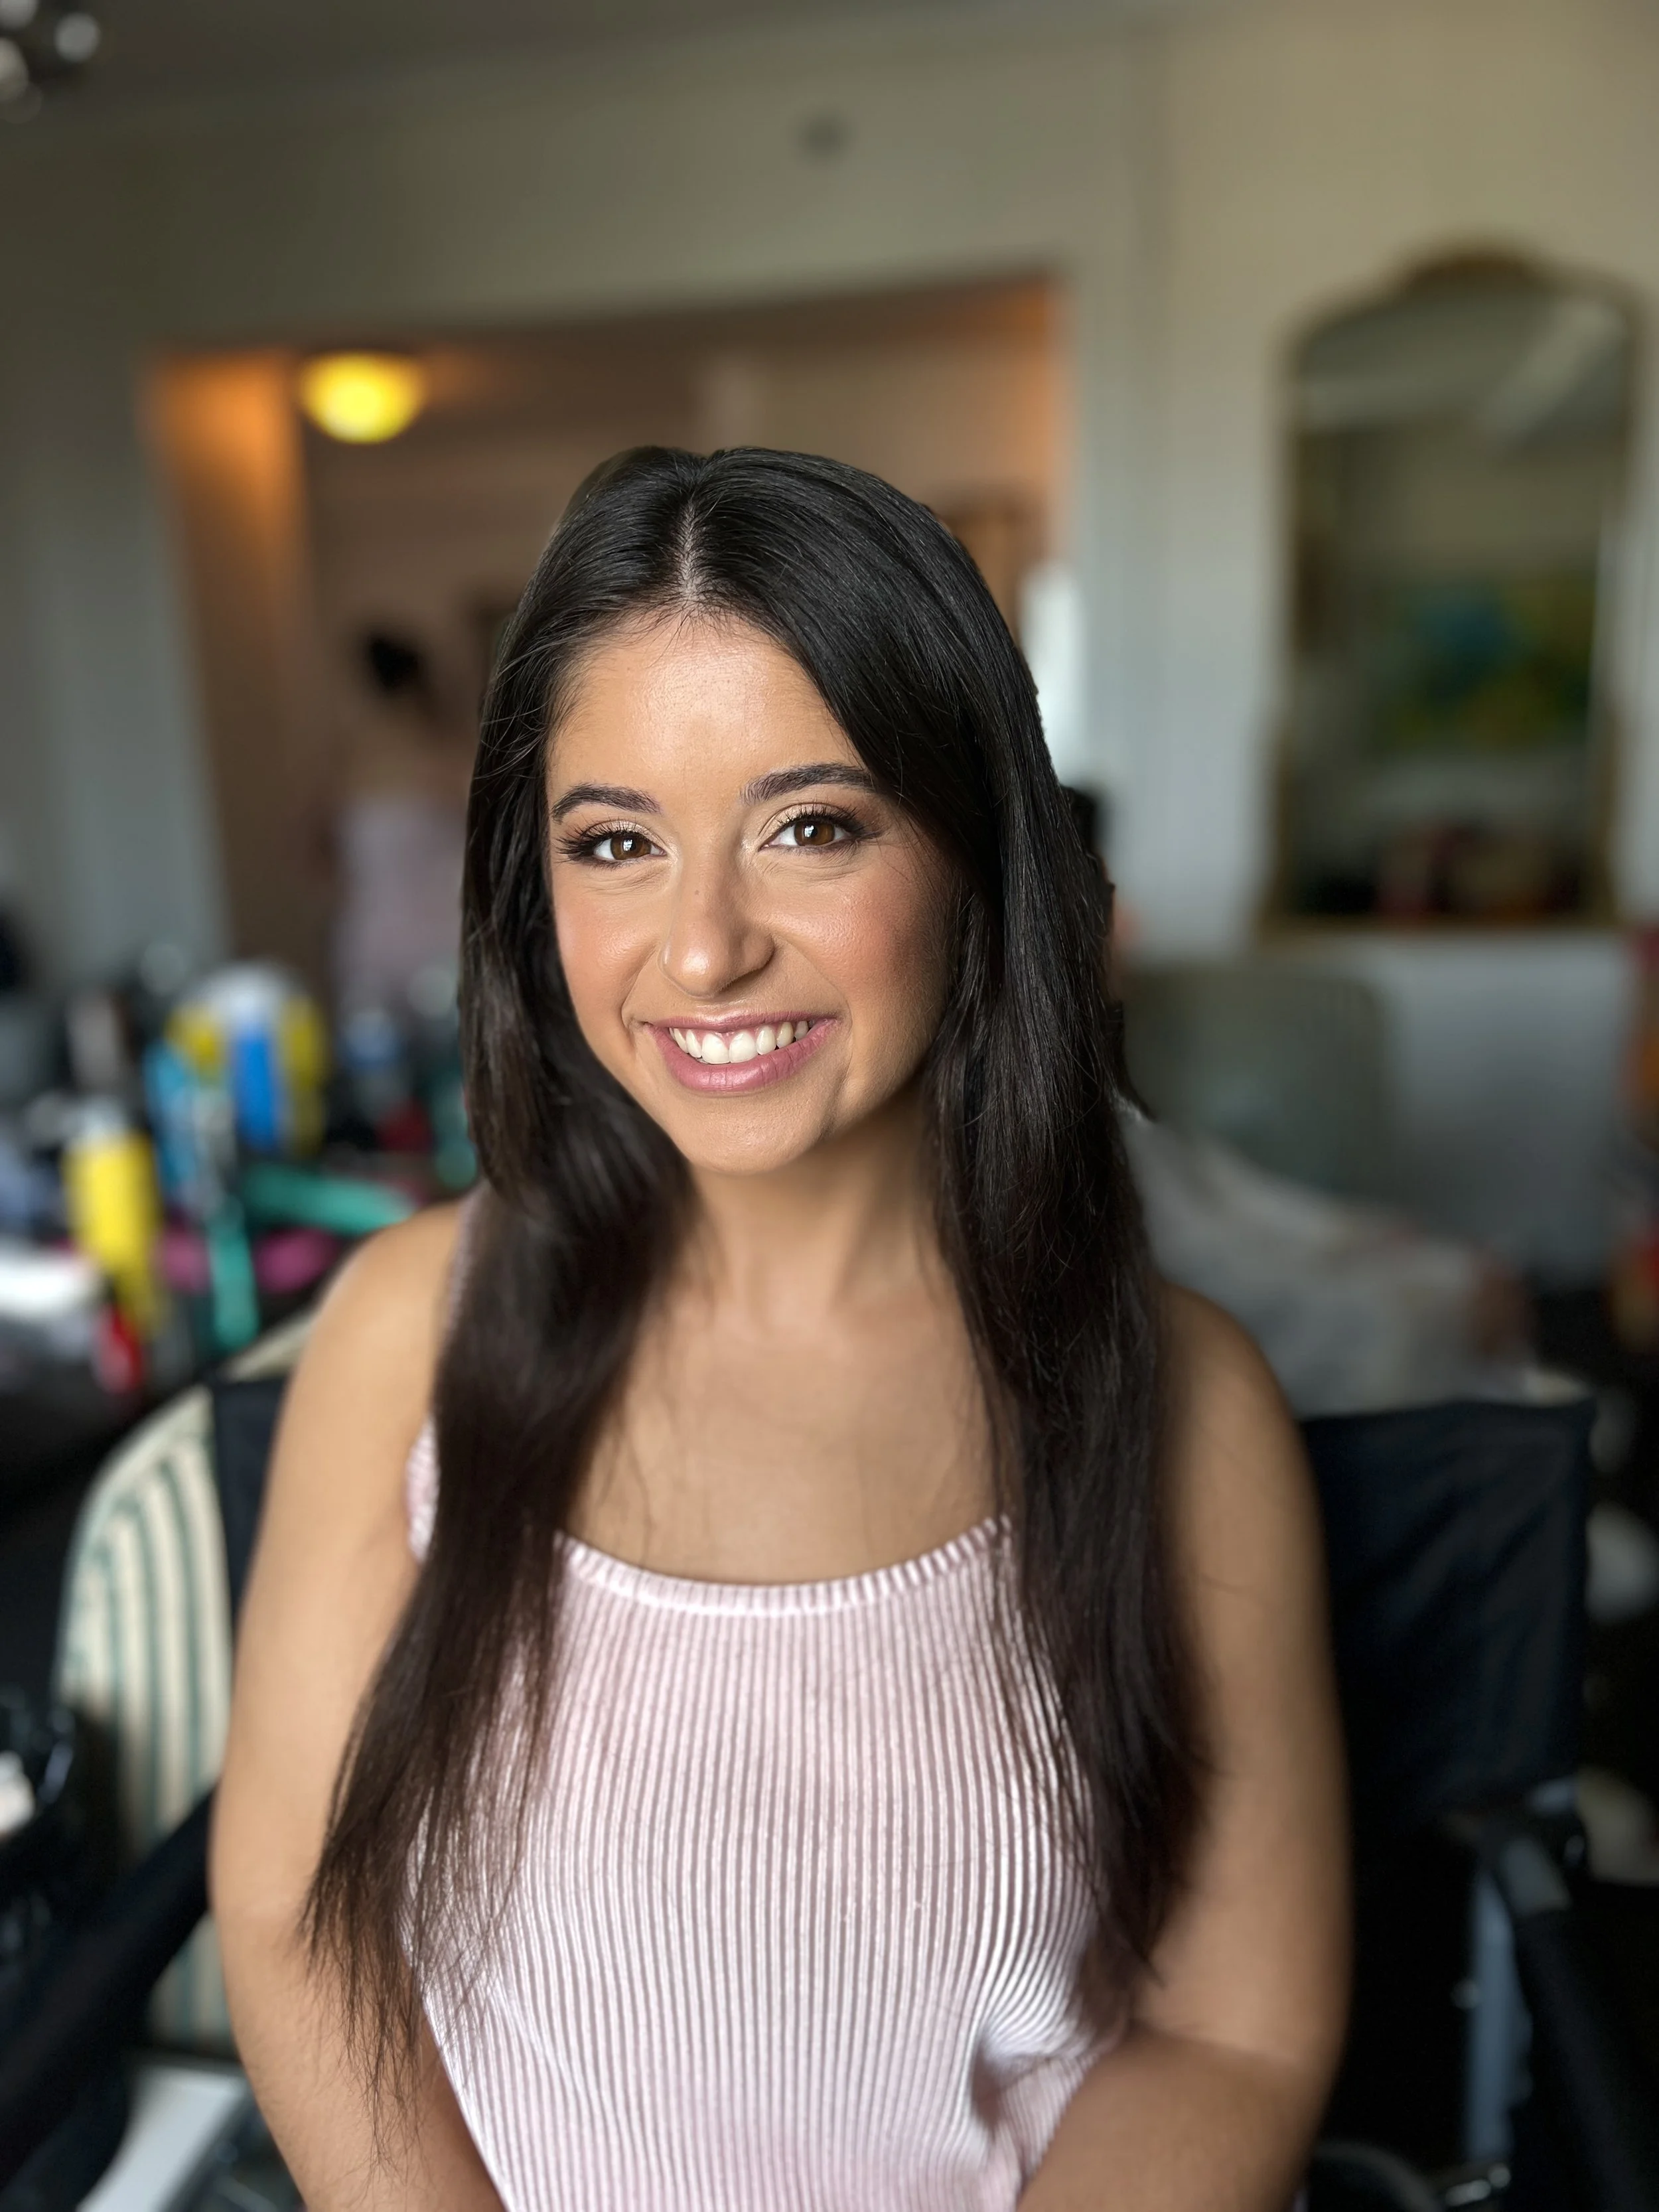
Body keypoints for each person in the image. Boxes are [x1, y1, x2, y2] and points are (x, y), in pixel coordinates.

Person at [212, 448, 1346, 2211]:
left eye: (811, 826)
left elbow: (1227, 2035)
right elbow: (297, 1912)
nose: (704, 949)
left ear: (974, 852)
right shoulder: (401, 1333)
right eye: (616, 844)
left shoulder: (1184, 1398)